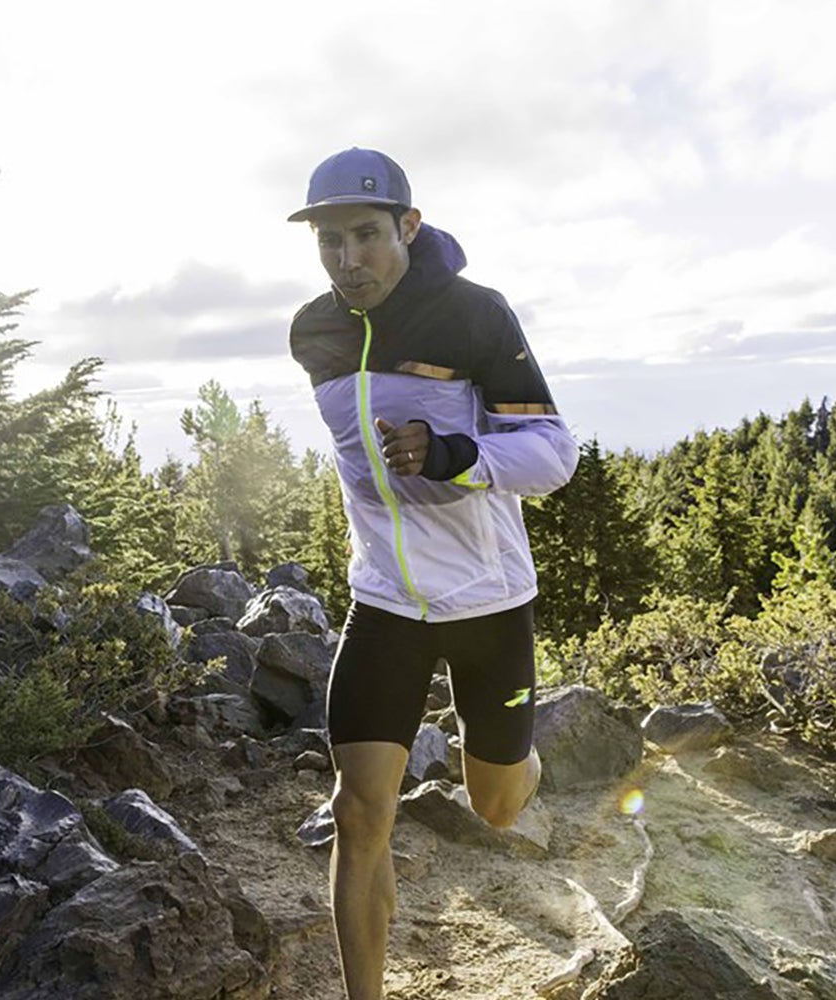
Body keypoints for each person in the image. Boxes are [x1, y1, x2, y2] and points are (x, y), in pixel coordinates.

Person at [285, 147, 578, 1000]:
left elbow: (554, 453)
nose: (349, 260)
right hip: (383, 603)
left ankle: (517, 760)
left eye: (367, 235)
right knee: (358, 809)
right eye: (330, 241)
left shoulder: (473, 316)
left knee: (497, 807)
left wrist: (457, 456)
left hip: (489, 604)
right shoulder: (315, 332)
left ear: (409, 227)